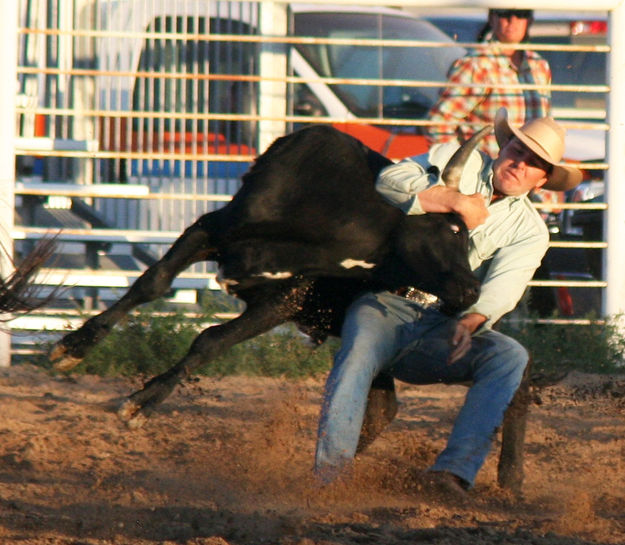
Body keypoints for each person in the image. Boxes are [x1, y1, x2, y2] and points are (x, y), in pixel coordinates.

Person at [314, 108, 582, 498]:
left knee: (509, 356)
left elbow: (506, 285)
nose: (520, 164)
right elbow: (390, 180)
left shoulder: (529, 230)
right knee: (358, 353)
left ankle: (452, 473)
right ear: (504, 145)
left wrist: (473, 318)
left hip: (444, 324)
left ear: (543, 180)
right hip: (388, 303)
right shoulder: (457, 158)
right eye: (518, 150)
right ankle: (330, 476)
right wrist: (452, 199)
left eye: (534, 163)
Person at [426, 9, 551, 157]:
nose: (512, 21)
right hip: (487, 172)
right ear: (492, 18)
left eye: (520, 14)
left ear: (529, 20)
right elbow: (439, 123)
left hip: (527, 169)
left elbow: (545, 123)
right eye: (505, 13)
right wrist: (462, 166)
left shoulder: (539, 66)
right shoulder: (477, 64)